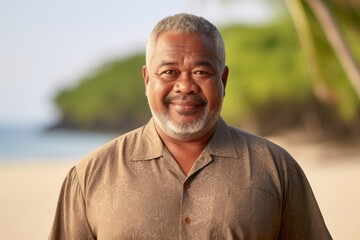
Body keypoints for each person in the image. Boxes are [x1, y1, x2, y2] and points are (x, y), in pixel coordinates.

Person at [49, 13, 332, 239]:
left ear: (223, 80)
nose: (185, 86)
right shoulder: (90, 176)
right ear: (147, 80)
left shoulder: (276, 169)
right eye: (169, 72)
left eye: (200, 71)